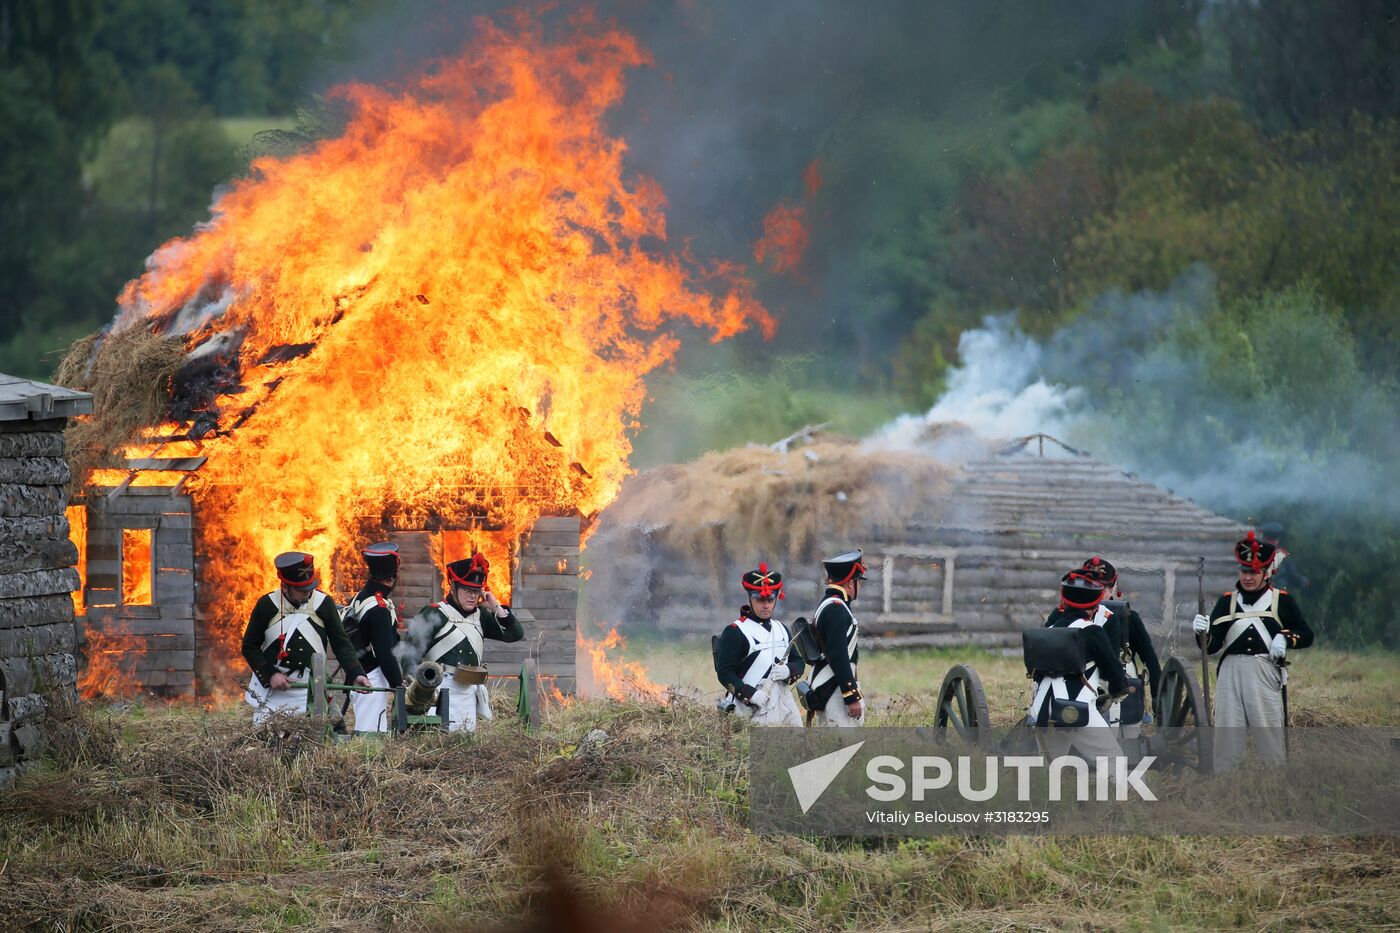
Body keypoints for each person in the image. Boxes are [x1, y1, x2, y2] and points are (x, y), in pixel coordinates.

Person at [1193, 530, 1314, 770]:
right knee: (1227, 735)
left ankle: (1271, 782)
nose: (1248, 577)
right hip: (1230, 673)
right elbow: (1212, 646)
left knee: (1268, 733)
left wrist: (1285, 639)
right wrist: (1202, 632)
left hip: (1264, 670)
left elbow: (1306, 634)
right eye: (1244, 571)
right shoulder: (1226, 602)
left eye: (1254, 572)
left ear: (1266, 572)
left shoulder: (1282, 600)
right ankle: (1225, 780)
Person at [241, 551, 370, 725]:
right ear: (285, 586)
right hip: (274, 689)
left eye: (310, 588)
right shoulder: (267, 604)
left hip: (310, 686)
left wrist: (355, 673)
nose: (308, 594)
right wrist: (270, 674)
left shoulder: (324, 603)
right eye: (301, 590)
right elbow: (250, 646)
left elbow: (341, 643)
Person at [1027, 571, 1131, 765]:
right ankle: (1116, 795)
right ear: (1094, 606)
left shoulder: (1046, 632)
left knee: (1049, 769)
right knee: (1113, 762)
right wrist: (1119, 690)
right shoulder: (1093, 632)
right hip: (1075, 710)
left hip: (1042, 710)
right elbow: (1112, 669)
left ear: (1065, 601)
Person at [414, 554, 524, 732]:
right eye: (467, 590)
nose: (473, 596)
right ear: (454, 587)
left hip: (468, 691)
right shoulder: (433, 613)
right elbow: (410, 655)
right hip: (437, 688)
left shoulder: (482, 616)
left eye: (476, 591)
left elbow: (515, 634)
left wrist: (495, 606)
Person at [1079, 555, 1162, 742]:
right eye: (1092, 588)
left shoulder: (1128, 618)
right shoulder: (1074, 616)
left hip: (1122, 684)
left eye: (1104, 588)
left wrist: (1158, 701)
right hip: (1085, 682)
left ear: (1113, 589)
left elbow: (1149, 658)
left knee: (1129, 739)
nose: (1099, 594)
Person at [714, 562, 804, 725]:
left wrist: (788, 671)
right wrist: (750, 694)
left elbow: (798, 661)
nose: (766, 605)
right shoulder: (736, 631)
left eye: (770, 599)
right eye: (760, 599)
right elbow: (725, 672)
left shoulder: (782, 629)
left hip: (784, 701)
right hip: (751, 705)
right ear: (750, 598)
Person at [342, 542, 404, 734]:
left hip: (361, 672)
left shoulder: (362, 596)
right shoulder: (379, 608)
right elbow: (385, 654)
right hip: (372, 677)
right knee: (371, 737)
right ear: (392, 576)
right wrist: (398, 685)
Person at [804, 549, 867, 727]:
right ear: (849, 583)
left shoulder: (834, 605)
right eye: (858, 582)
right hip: (834, 689)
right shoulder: (835, 608)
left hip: (834, 685)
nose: (860, 587)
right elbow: (838, 655)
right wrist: (851, 695)